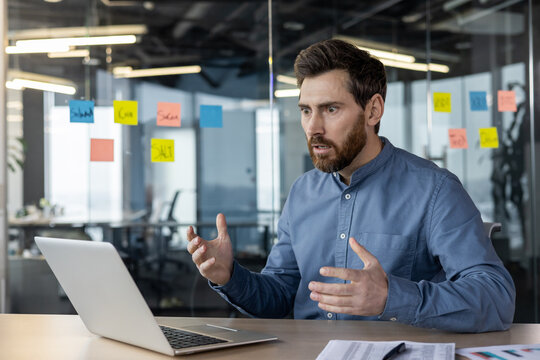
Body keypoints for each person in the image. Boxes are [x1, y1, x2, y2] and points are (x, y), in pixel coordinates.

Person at [187, 39, 515, 332]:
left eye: (331, 109)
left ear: (373, 110)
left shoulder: (434, 189)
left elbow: (496, 297)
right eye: (305, 110)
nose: (313, 127)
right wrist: (229, 275)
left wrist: (392, 297)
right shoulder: (303, 192)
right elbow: (282, 295)